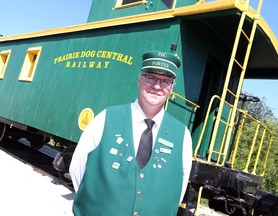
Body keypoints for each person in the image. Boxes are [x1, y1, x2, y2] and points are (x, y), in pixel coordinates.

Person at [69, 51, 193, 216]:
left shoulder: (182, 134)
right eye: (150, 77)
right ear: (139, 78)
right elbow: (77, 168)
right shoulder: (106, 118)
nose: (157, 86)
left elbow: (180, 185)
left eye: (165, 81)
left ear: (171, 87)